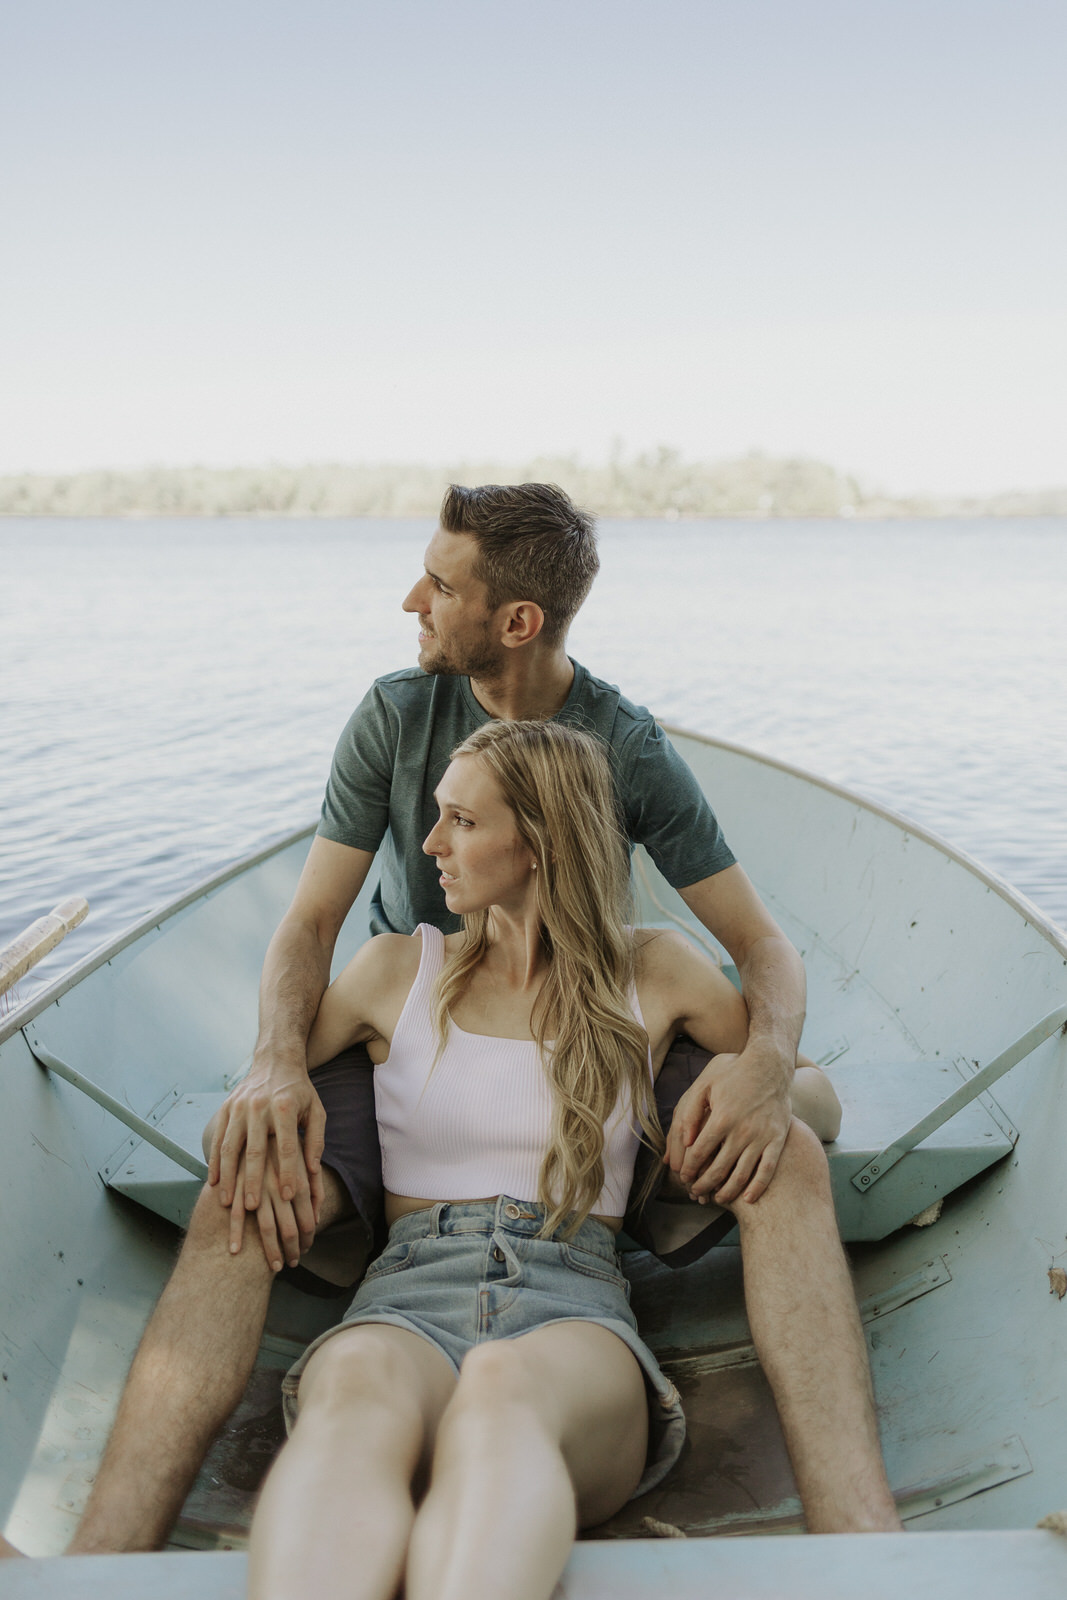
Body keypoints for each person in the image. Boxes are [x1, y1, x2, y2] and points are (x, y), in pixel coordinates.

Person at [70, 482, 900, 1552]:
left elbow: (762, 947)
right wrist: (275, 1063)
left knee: (782, 1150)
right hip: (406, 1030)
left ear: (516, 621)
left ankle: (863, 1536)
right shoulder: (396, 718)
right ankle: (100, 1552)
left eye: (441, 583)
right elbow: (309, 919)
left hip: (598, 1018)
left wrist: (764, 1064)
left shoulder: (625, 756)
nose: (411, 598)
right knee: (250, 1170)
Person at [247, 719, 846, 1600]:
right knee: (358, 1385)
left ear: (538, 842)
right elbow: (269, 1090)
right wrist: (271, 1073)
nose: (429, 844)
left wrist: (749, 1080)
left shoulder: (657, 969)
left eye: (460, 821)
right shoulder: (390, 970)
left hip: (572, 1301)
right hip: (405, 1289)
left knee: (501, 1383)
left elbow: (816, 1102)